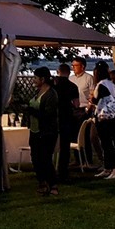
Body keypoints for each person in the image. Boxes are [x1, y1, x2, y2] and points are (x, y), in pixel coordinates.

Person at [26, 67, 59, 196]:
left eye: (35, 78)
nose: (33, 80)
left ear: (43, 79)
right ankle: (42, 182)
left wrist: (32, 111)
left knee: (45, 158)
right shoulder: (38, 92)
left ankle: (53, 184)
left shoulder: (51, 94)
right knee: (35, 158)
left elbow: (48, 114)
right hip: (35, 130)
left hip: (47, 131)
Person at [93, 65, 115, 179]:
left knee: (107, 143)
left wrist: (92, 99)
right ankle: (109, 167)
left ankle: (114, 167)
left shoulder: (101, 85)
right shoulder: (112, 84)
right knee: (113, 142)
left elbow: (97, 99)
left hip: (105, 117)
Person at [52, 63, 80, 185]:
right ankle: (63, 172)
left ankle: (49, 171)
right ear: (69, 73)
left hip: (53, 117)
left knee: (50, 145)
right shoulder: (72, 86)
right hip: (67, 118)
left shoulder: (53, 85)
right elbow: (77, 104)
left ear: (58, 71)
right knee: (65, 147)